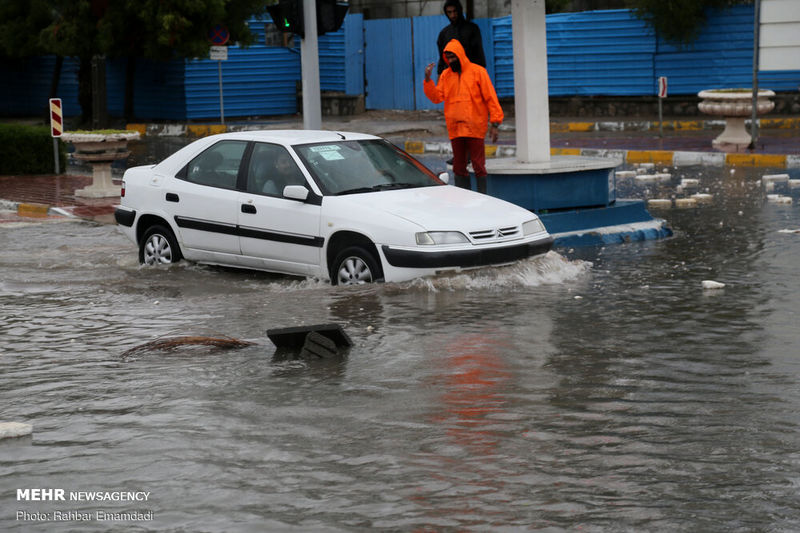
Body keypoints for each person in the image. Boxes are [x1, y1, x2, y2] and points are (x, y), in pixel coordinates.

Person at [424, 39, 503, 194]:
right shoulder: (446, 75)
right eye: (449, 58)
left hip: (474, 126)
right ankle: (463, 198)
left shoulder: (478, 72)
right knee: (458, 167)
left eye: (454, 57)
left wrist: (495, 124)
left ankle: (482, 197)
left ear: (460, 55)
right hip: (455, 128)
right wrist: (428, 80)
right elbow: (437, 97)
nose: (451, 60)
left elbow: (490, 98)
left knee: (478, 165)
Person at [436, 0, 486, 76]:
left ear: (459, 10)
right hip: (451, 77)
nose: (453, 15)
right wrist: (440, 77)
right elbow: (442, 60)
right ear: (446, 13)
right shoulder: (444, 34)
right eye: (449, 12)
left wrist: (479, 76)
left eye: (455, 11)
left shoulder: (472, 29)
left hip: (470, 75)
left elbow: (479, 55)